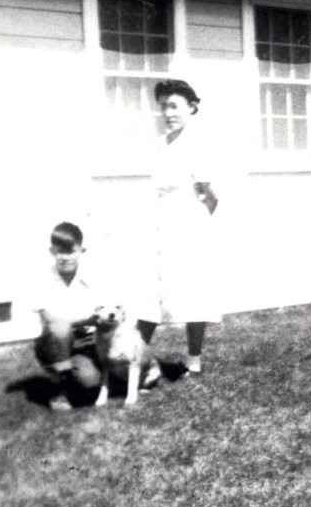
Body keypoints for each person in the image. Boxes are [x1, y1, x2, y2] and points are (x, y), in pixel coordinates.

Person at [136, 79, 222, 375]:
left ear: (192, 107)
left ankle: (194, 360)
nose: (168, 112)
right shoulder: (161, 143)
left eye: (174, 106)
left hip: (188, 224)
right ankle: (133, 359)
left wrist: (197, 225)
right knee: (150, 288)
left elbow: (209, 195)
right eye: (163, 106)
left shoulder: (198, 144)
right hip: (160, 221)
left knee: (192, 289)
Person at [32, 221, 159, 410]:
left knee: (90, 382)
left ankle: (118, 376)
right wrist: (87, 319)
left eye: (71, 251)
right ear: (52, 251)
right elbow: (51, 320)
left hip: (86, 342)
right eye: (60, 251)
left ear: (81, 251)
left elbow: (110, 310)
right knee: (61, 328)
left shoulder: (92, 279)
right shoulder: (42, 279)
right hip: (54, 343)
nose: (65, 257)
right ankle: (61, 392)